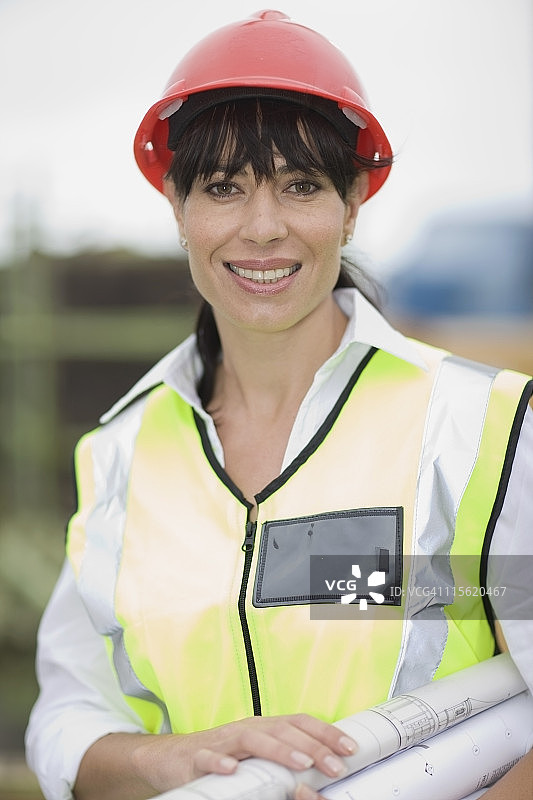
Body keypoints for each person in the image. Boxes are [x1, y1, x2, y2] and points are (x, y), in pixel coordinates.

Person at [25, 10, 533, 800]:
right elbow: (66, 717)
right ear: (177, 208)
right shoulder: (119, 453)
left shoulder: (478, 426)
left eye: (301, 186)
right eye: (223, 188)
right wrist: (177, 758)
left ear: (352, 204)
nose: (262, 229)